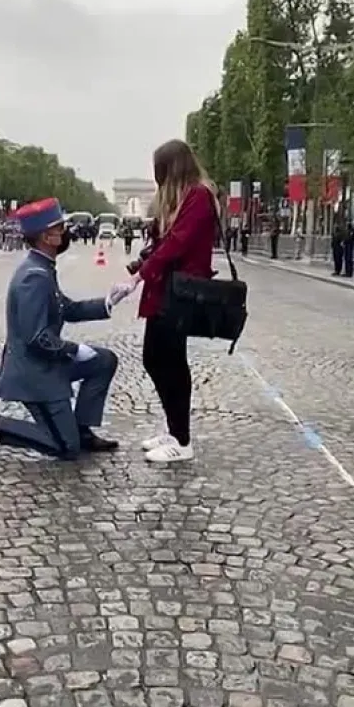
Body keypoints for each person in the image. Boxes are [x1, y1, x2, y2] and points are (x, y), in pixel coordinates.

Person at [0, 197, 129, 460]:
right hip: (34, 375)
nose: (66, 233)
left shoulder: (42, 268)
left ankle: (82, 429)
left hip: (46, 366)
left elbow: (67, 308)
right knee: (66, 447)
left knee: (104, 361)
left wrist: (109, 301)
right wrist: (76, 349)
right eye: (60, 229)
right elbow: (36, 338)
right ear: (46, 237)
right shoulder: (34, 276)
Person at [126, 139, 217, 464]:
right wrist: (143, 264)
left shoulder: (199, 196)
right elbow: (167, 243)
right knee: (155, 358)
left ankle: (182, 439)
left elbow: (178, 243)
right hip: (167, 290)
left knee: (170, 361)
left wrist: (141, 275)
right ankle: (174, 428)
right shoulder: (185, 198)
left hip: (179, 293)